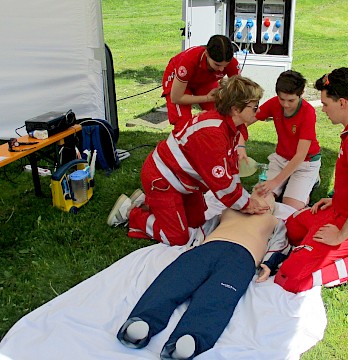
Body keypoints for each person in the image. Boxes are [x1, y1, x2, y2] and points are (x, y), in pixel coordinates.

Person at [116, 191, 290, 360]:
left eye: (269, 197)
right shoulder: (229, 211)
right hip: (207, 249)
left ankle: (190, 339)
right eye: (258, 193)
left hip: (242, 260)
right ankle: (143, 322)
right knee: (172, 282)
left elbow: (280, 243)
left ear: (272, 208)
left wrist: (268, 264)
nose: (263, 197)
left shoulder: (275, 222)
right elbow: (206, 228)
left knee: (217, 300)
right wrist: (196, 244)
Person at [107, 75, 267, 246]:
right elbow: (222, 184)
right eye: (255, 107)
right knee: (177, 238)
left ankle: (149, 204)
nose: (258, 111)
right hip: (162, 179)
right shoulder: (214, 134)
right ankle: (132, 213)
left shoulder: (230, 127)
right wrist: (246, 204)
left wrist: (243, 200)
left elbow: (230, 168)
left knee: (197, 221)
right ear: (236, 109)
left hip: (181, 181)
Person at [273, 67, 348, 293]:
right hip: (338, 210)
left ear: (343, 103)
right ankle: (323, 249)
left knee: (289, 279)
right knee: (292, 228)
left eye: (326, 104)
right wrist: (335, 200)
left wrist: (340, 236)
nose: (324, 110)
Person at [238, 70, 321, 211]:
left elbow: (300, 155)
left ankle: (311, 181)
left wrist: (275, 182)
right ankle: (290, 185)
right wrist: (241, 146)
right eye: (282, 99)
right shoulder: (275, 103)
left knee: (290, 208)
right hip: (281, 158)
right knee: (259, 198)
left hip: (305, 162)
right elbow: (243, 122)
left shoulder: (308, 113)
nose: (286, 104)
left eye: (291, 100)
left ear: (301, 95)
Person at [162, 34, 240, 131]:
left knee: (220, 115)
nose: (221, 69)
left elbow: (239, 92)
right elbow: (176, 98)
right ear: (206, 54)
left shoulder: (232, 63)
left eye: (225, 65)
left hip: (205, 81)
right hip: (178, 80)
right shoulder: (188, 60)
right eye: (217, 65)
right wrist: (206, 98)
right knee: (183, 124)